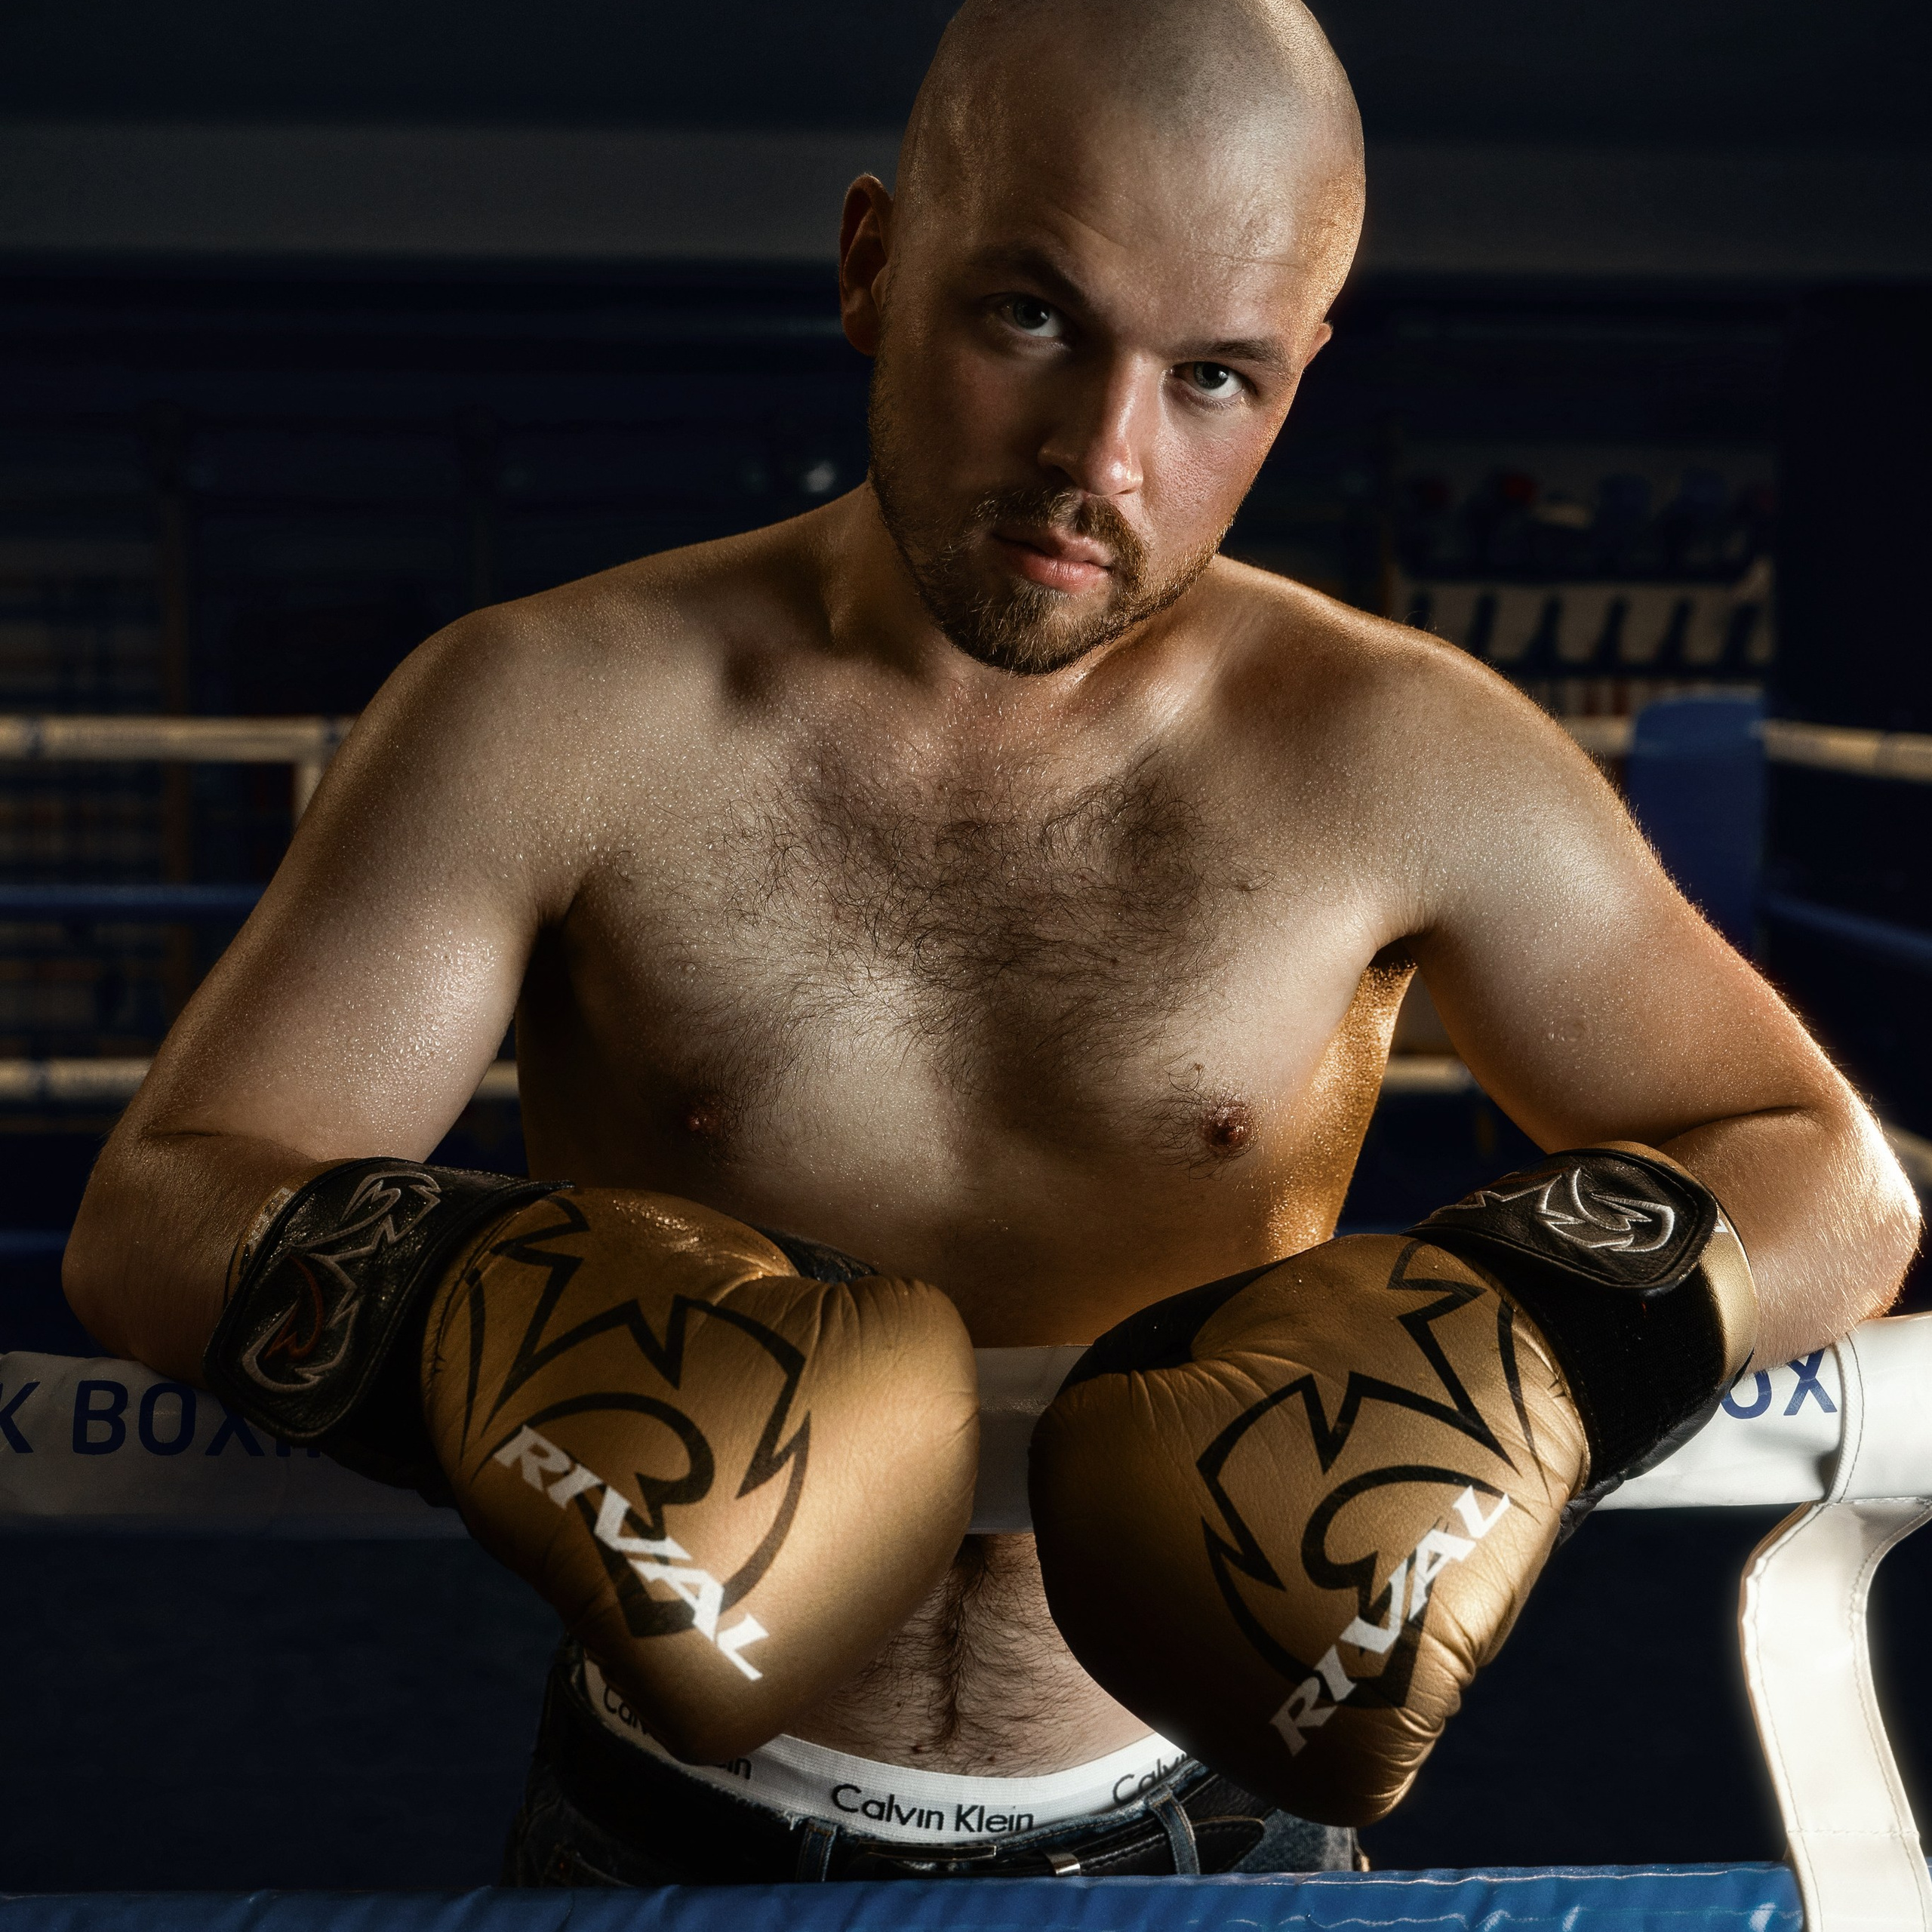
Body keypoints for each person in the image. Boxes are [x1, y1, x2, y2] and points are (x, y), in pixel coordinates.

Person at [64, 0, 1918, 1888]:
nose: (1099, 456)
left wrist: (1514, 1343)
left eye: (1215, 378)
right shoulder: (541, 714)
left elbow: (1830, 1185)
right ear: (873, 263)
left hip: (1215, 1818)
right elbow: (161, 1208)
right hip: (674, 1821)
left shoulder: (1403, 753)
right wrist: (466, 1300)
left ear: (1298, 379)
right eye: (1031, 316)